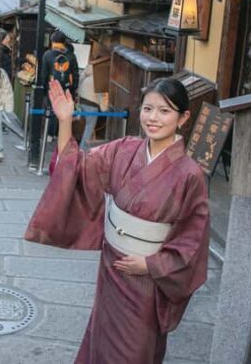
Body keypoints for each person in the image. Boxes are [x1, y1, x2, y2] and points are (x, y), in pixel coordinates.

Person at [25, 78, 210, 364]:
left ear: (183, 118)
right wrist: (65, 121)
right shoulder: (124, 149)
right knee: (102, 339)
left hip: (148, 279)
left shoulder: (190, 174)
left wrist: (151, 265)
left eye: (164, 111)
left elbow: (192, 240)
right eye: (148, 109)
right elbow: (75, 169)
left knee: (134, 349)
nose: (153, 118)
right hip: (111, 266)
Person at [77, 64, 102, 152]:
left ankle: (87, 147)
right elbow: (100, 95)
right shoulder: (98, 78)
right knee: (89, 128)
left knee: (86, 126)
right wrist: (104, 108)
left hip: (82, 102)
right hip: (92, 104)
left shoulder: (85, 74)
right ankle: (83, 149)